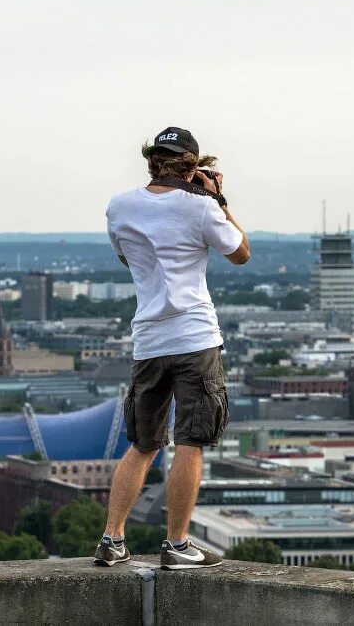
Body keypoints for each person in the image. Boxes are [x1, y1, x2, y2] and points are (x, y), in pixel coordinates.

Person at [95, 127, 250, 569]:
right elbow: (241, 253)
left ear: (152, 162)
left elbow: (126, 257)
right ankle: (177, 545)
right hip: (195, 337)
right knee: (190, 441)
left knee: (143, 443)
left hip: (148, 340)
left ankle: (112, 539)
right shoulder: (201, 207)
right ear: (193, 167)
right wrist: (219, 200)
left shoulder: (119, 207)